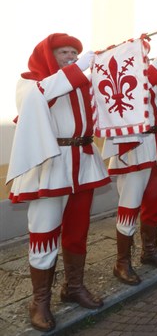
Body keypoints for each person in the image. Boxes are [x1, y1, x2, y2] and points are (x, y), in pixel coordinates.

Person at [7, 34, 110, 332]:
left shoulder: (79, 82)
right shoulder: (30, 82)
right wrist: (79, 70)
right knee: (44, 231)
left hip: (84, 161)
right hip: (50, 164)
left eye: (74, 52)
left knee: (78, 231)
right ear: (48, 54)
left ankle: (73, 287)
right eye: (64, 52)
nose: (71, 56)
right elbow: (39, 97)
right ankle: (39, 301)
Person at [102, 53, 157, 286]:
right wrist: (155, 68)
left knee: (155, 203)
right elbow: (133, 96)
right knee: (130, 205)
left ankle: (149, 251)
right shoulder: (128, 75)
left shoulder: (153, 76)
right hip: (135, 147)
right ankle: (122, 262)